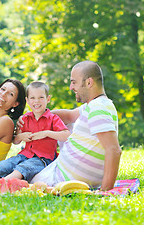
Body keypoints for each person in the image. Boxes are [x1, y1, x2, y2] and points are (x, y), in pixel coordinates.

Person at [29, 61, 121, 191]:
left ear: (89, 82)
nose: (71, 87)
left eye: (74, 82)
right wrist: (32, 118)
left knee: (15, 174)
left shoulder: (98, 108)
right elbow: (69, 116)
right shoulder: (95, 105)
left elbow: (114, 150)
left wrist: (105, 191)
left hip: (57, 179)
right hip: (58, 170)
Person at [0, 81, 70, 187]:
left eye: (41, 98)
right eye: (33, 98)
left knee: (23, 168)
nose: (36, 101)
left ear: (48, 99)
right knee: (4, 165)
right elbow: (15, 141)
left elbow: (66, 135)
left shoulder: (53, 119)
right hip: (24, 154)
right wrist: (21, 136)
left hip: (42, 158)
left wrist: (46, 133)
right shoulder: (25, 119)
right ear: (27, 101)